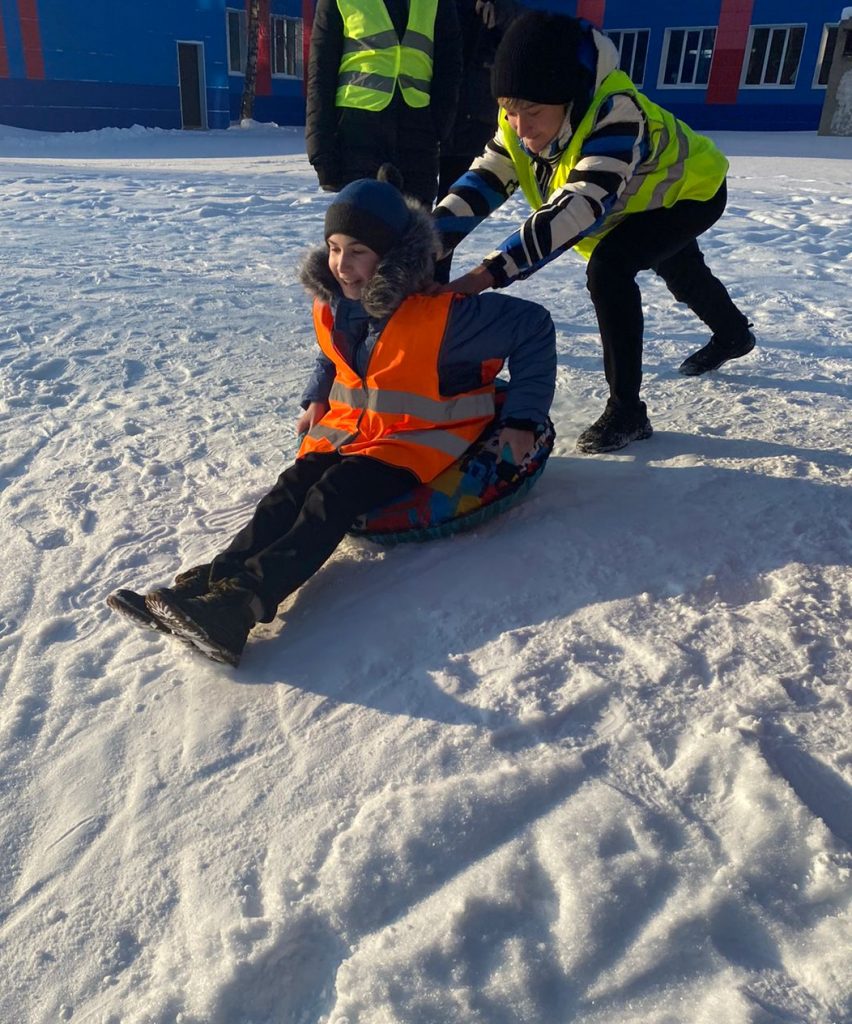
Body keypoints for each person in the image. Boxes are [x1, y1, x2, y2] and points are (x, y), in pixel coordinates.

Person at [107, 175, 556, 667]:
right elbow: (333, 359)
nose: (343, 265)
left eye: (359, 250)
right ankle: (215, 582)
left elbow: (534, 326)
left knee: (331, 497)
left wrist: (524, 418)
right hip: (353, 430)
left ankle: (241, 608)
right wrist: (315, 397)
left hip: (420, 439)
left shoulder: (447, 318)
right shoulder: (335, 305)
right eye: (335, 247)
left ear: (393, 256)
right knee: (291, 486)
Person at [432, 10, 755, 453]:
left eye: (533, 111)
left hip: (692, 191)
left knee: (611, 269)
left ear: (570, 96)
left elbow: (577, 207)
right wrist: (428, 239)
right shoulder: (521, 116)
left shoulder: (615, 113)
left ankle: (628, 411)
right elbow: (485, 179)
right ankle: (734, 333)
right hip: (635, 202)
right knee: (680, 269)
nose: (521, 128)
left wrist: (488, 273)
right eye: (508, 110)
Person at [305, 0, 463, 207]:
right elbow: (321, 73)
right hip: (357, 135)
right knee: (363, 232)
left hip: (417, 138)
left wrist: (438, 127)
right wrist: (320, 151)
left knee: (416, 234)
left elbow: (450, 66)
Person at [434, 0, 523, 283]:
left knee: (451, 215)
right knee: (412, 213)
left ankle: (434, 289)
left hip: (471, 125)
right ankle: (400, 293)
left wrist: (501, 10)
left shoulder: (499, 7)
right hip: (427, 120)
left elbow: (526, 31)